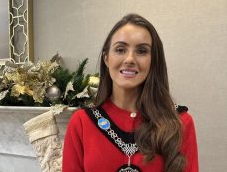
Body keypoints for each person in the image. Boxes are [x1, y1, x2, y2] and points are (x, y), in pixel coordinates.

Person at [62, 13, 198, 172]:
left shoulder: (180, 122)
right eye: (120, 49)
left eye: (141, 51)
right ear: (107, 58)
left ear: (153, 60)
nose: (130, 59)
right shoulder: (82, 123)